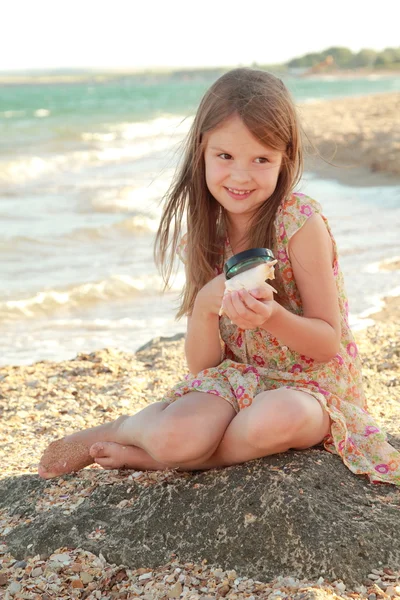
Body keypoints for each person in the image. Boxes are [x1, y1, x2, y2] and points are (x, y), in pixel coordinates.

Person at [39, 68, 400, 486]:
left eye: (260, 159)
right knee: (177, 436)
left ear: (285, 158)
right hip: (236, 382)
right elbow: (203, 366)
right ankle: (124, 428)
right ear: (202, 153)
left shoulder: (298, 223)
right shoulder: (205, 235)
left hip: (309, 388)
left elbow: (326, 343)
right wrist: (207, 306)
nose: (241, 176)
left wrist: (271, 318)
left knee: (280, 417)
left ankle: (167, 461)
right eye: (225, 156)